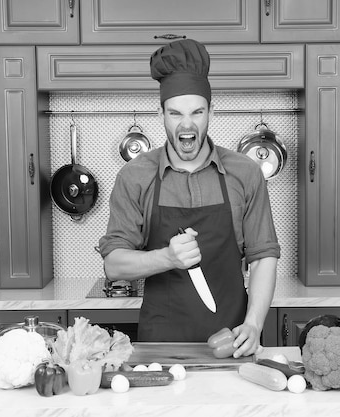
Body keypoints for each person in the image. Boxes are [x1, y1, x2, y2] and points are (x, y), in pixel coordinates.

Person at [98, 39, 280, 357]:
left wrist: (253, 324)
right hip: (160, 345)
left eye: (197, 112)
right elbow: (114, 264)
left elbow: (264, 255)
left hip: (233, 340)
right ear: (162, 114)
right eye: (175, 113)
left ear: (211, 110)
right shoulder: (135, 176)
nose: (187, 124)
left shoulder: (245, 173)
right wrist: (166, 258)